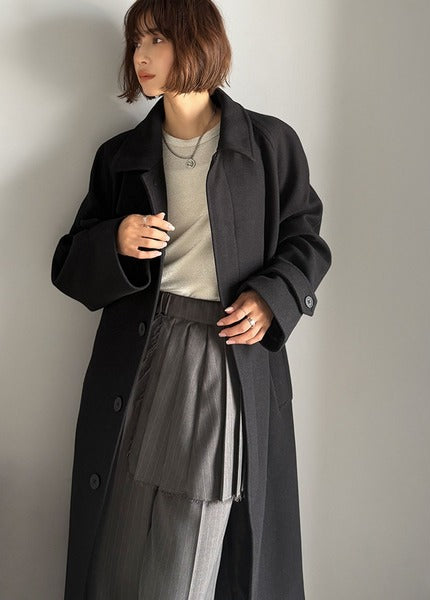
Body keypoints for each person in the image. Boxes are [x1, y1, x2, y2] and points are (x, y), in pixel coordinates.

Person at [51, 0, 332, 598]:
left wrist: (272, 298)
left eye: (157, 38)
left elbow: (307, 240)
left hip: (221, 358)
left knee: (183, 560)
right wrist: (116, 240)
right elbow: (69, 267)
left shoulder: (268, 145)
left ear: (197, 41)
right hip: (138, 356)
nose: (141, 55)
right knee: (115, 548)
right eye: (136, 41)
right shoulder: (121, 158)